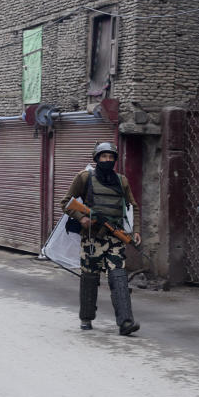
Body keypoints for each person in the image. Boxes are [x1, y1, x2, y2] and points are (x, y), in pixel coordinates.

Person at [59, 141, 142, 336]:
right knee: (89, 278)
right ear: (96, 159)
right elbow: (66, 203)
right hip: (92, 238)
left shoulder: (122, 181)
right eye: (103, 157)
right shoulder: (85, 177)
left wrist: (135, 230)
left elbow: (133, 207)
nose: (107, 160)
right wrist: (81, 218)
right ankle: (86, 317)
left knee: (119, 278)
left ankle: (125, 322)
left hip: (115, 237)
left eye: (110, 157)